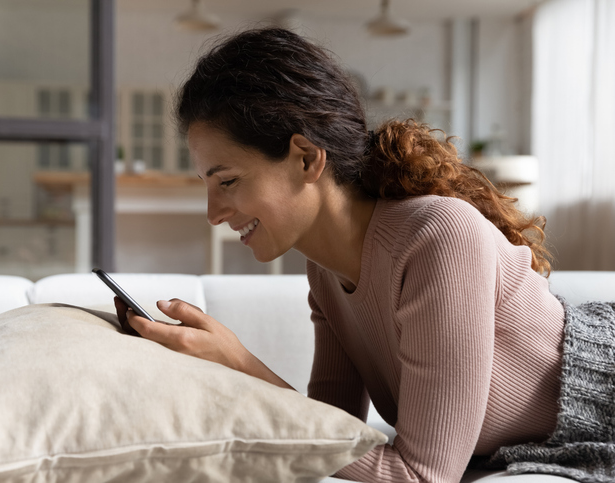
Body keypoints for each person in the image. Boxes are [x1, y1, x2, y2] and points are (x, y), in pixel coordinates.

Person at [115, 28, 614, 483]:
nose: (213, 212)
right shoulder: (325, 269)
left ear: (306, 158)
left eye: (228, 182)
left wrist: (243, 367)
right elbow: (330, 434)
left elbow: (420, 475)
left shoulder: (439, 238)